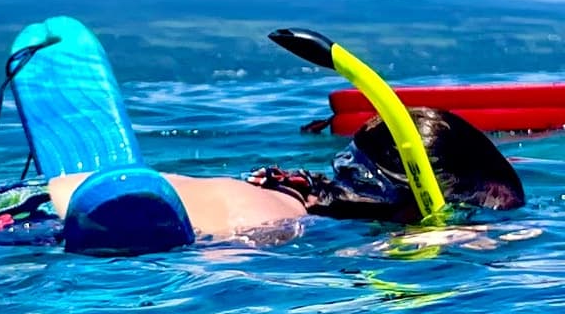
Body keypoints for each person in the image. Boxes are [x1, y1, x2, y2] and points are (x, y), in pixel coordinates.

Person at [40, 106, 525, 240]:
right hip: (43, 233)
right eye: (469, 211)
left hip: (18, 206)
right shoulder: (284, 225)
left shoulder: (285, 192)